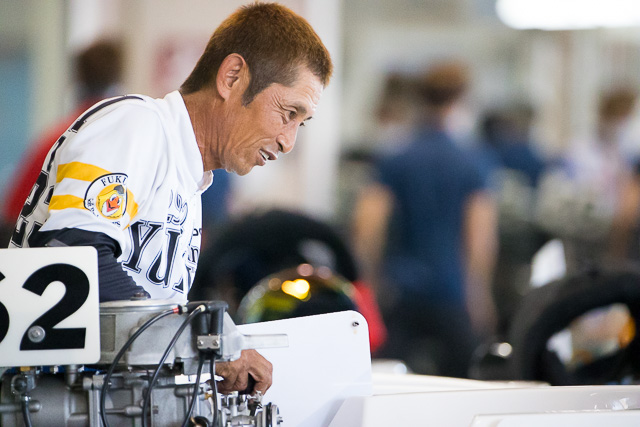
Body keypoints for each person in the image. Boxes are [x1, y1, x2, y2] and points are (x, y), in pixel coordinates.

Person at [7, 2, 333, 395]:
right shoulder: (138, 125)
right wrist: (199, 341)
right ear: (232, 77)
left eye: (302, 123)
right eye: (288, 112)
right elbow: (73, 253)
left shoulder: (189, 177)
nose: (288, 141)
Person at [352, 61, 498, 377]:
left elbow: (368, 228)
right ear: (462, 99)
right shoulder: (472, 162)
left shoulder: (395, 158)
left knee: (387, 378)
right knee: (463, 381)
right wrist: (480, 295)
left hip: (401, 291)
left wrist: (370, 284)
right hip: (452, 292)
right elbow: (479, 239)